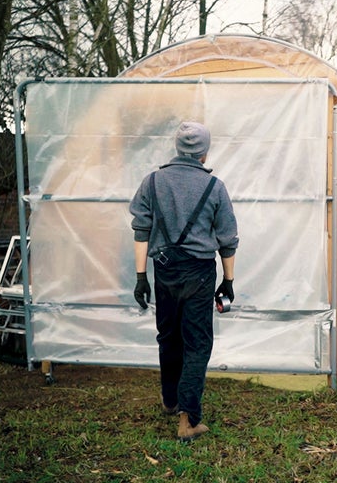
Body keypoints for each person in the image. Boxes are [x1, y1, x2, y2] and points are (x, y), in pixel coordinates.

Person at [129, 121, 238, 442]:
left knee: (168, 335)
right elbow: (227, 239)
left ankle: (170, 399)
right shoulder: (215, 187)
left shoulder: (152, 182)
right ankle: (187, 421)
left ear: (178, 149)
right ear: (204, 153)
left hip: (164, 271)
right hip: (200, 273)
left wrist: (140, 277)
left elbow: (141, 230)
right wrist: (228, 280)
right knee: (197, 342)